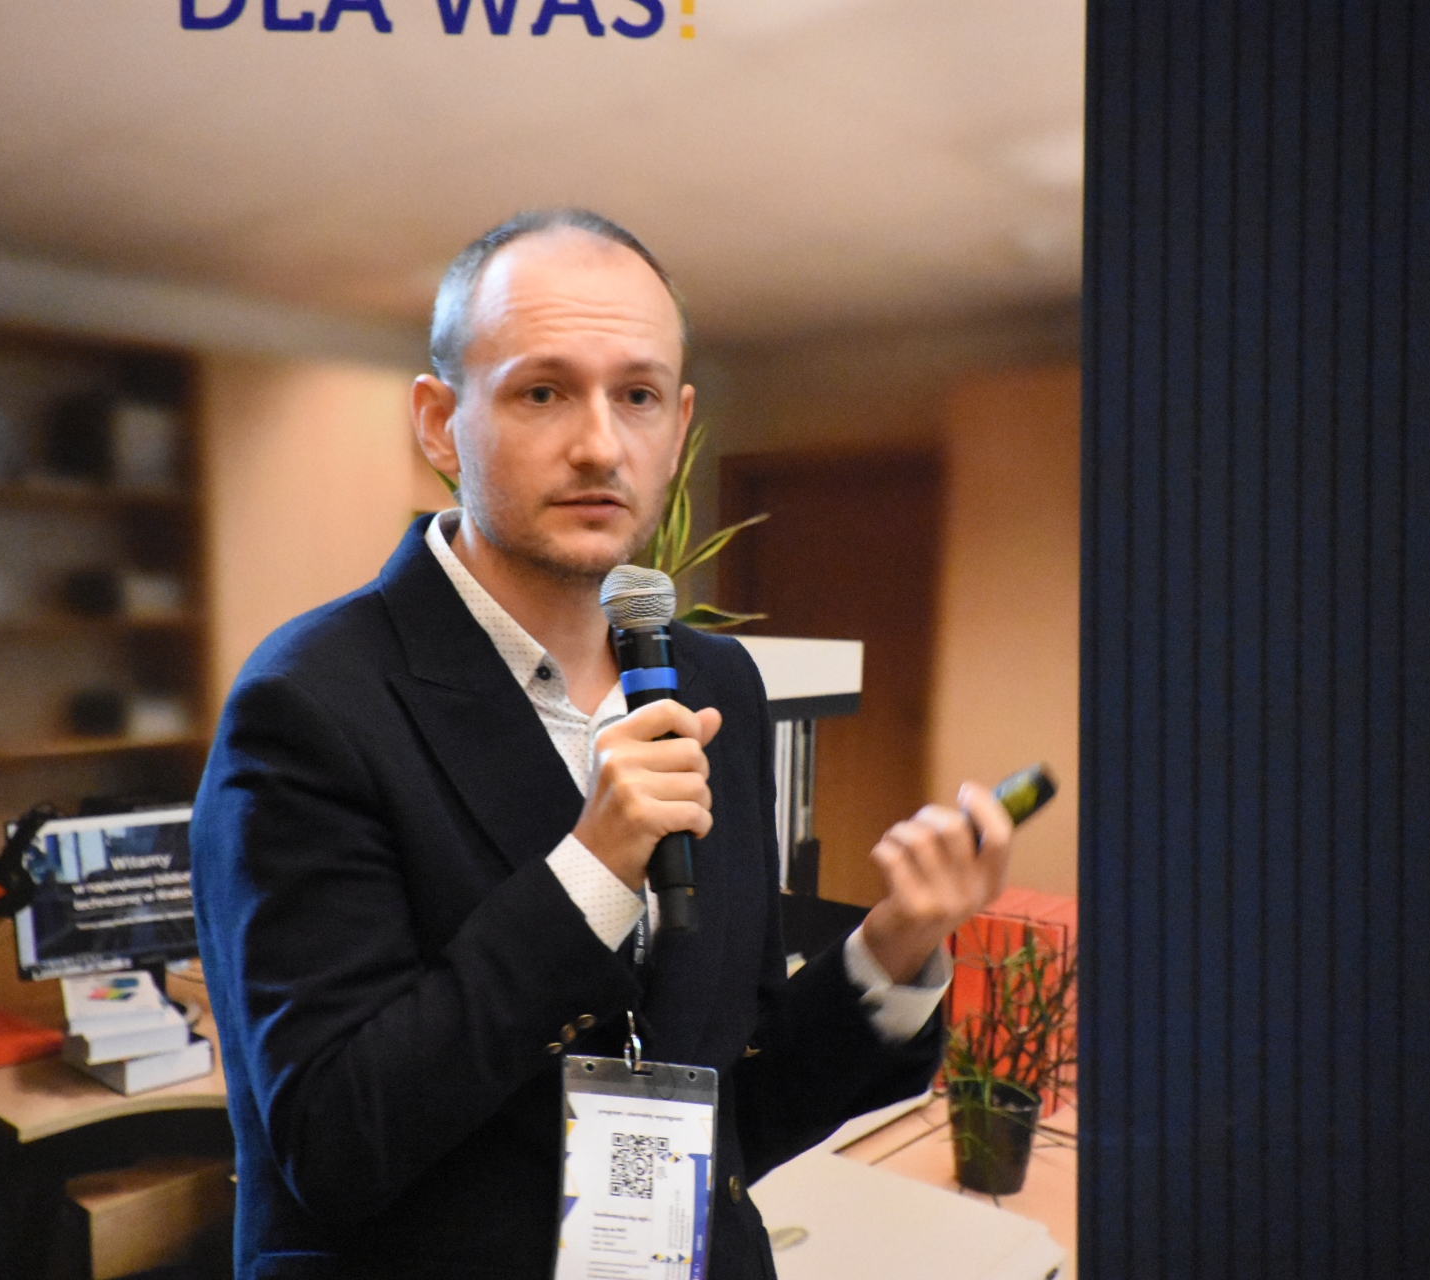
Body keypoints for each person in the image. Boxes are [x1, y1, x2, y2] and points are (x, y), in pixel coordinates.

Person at [191, 209, 1015, 1280]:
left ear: (678, 424)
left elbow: (731, 1104)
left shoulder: (717, 685)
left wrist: (893, 945)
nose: (599, 444)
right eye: (542, 392)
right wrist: (591, 870)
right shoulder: (308, 704)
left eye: (636, 396)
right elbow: (332, 1146)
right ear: (439, 423)